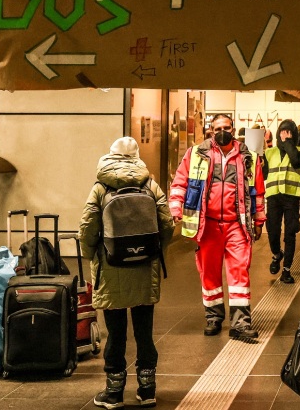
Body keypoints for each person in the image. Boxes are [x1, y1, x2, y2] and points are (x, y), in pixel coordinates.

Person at [81, 137, 174, 410]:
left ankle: (114, 392)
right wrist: (155, 251)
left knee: (116, 332)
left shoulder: (100, 187)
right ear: (137, 157)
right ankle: (147, 390)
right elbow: (167, 224)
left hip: (112, 267)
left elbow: (87, 227)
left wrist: (92, 254)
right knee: (144, 332)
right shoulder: (150, 185)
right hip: (145, 266)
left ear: (109, 156)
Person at [169, 113, 264, 342]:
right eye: (218, 127)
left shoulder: (248, 156)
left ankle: (241, 323)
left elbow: (257, 190)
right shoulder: (195, 154)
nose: (223, 131)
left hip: (237, 225)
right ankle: (213, 318)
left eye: (227, 127)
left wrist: (259, 220)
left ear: (233, 128)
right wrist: (175, 209)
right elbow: (180, 183)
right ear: (211, 131)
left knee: (239, 273)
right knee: (209, 274)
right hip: (208, 226)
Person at [264, 119, 300, 285]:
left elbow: (296, 161)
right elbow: (263, 174)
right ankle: (277, 255)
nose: (285, 135)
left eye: (289, 132)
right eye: (283, 132)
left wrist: (288, 143)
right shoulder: (270, 153)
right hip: (274, 196)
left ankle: (287, 270)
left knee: (290, 232)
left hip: (291, 196)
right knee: (272, 230)